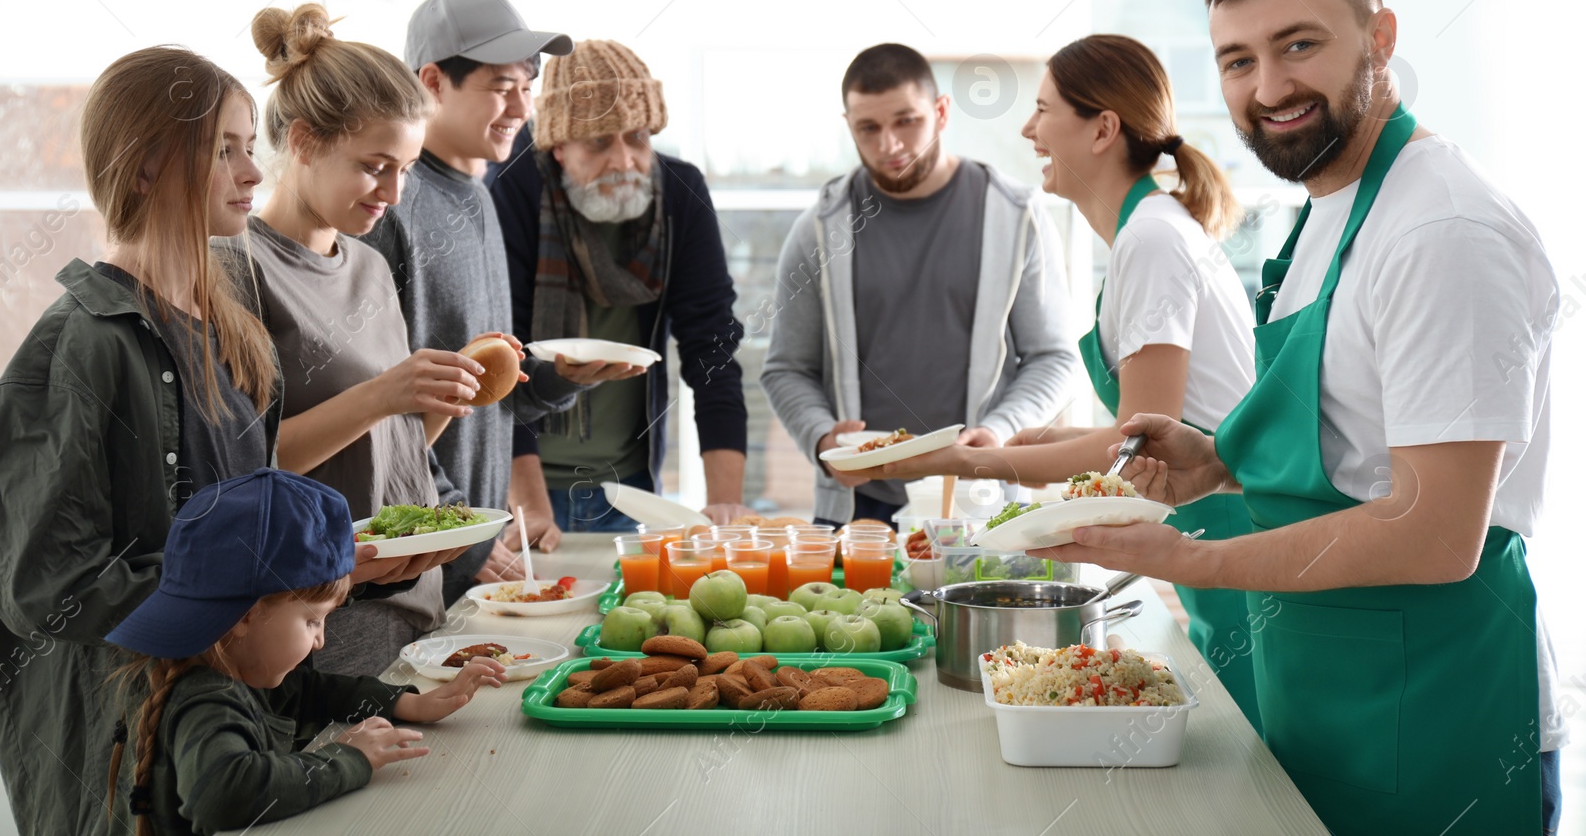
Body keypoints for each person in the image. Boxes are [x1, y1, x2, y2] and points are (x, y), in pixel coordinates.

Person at [1035, 0, 1563, 834]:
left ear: (1382, 37)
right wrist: (1217, 460)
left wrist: (1191, 558)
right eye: (1238, 60)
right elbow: (1352, 446)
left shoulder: (1442, 229)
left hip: (1437, 714)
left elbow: (1437, 530)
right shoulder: (1330, 208)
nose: (1269, 87)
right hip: (1326, 695)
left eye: (1299, 45)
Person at [0, 47, 434, 836]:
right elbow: (43, 585)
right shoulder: (78, 345)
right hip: (123, 768)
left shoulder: (234, 336)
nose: (251, 171)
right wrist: (240, 590)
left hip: (229, 746)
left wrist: (326, 564)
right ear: (146, 168)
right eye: (221, 148)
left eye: (247, 145)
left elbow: (248, 531)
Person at [862, 35, 1261, 727]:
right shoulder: (1146, 233)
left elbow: (1141, 447)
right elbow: (1151, 428)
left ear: (1103, 128)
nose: (1027, 129)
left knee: (1252, 762)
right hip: (1212, 524)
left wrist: (969, 458)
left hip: (1232, 529)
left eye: (1043, 110)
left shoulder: (1153, 241)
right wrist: (1046, 437)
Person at [361, 0, 644, 584]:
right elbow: (376, 413)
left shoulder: (481, 198)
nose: (522, 107)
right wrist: (459, 534)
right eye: (500, 87)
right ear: (432, 83)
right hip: (416, 558)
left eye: (527, 85)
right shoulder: (389, 208)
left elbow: (488, 392)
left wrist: (560, 381)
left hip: (465, 546)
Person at [232, 3, 472, 674]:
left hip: (420, 606)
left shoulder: (367, 264)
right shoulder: (239, 268)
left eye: (407, 168)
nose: (394, 193)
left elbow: (382, 454)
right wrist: (382, 394)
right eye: (375, 166)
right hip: (328, 628)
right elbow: (245, 471)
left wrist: (432, 405)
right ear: (305, 142)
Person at [760, 43, 1081, 528]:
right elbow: (786, 368)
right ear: (849, 125)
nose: (889, 145)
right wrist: (823, 439)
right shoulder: (818, 228)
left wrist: (999, 430)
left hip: (979, 502)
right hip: (857, 509)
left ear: (941, 112)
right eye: (869, 127)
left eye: (906, 121)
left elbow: (1054, 358)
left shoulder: (1016, 216)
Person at [105, 468, 503, 835]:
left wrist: (406, 705)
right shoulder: (209, 697)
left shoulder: (228, 663)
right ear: (246, 615)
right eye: (313, 621)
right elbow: (223, 795)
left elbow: (308, 691)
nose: (320, 641)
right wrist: (346, 758)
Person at [488, 39, 752, 533]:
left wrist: (725, 506)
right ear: (558, 146)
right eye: (599, 142)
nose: (625, 161)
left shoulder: (679, 193)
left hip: (628, 488)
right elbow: (501, 360)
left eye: (637, 137)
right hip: (521, 487)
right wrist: (529, 505)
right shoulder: (512, 190)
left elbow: (711, 348)